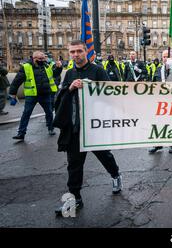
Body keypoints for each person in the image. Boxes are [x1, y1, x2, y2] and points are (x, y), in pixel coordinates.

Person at [53, 40, 122, 216]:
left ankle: (115, 175)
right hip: (75, 127)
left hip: (94, 126)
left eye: (79, 51)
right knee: (74, 164)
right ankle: (75, 198)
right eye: (72, 52)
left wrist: (91, 87)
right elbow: (60, 97)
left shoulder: (98, 70)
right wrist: (70, 87)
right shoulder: (69, 73)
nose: (75, 55)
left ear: (86, 52)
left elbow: (110, 94)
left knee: (104, 155)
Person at [8, 51, 63, 142]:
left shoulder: (46, 66)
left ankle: (50, 128)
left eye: (43, 58)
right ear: (34, 58)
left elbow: (55, 75)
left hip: (45, 94)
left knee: (49, 112)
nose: (42, 60)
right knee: (26, 114)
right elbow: (16, 81)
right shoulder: (26, 67)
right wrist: (13, 93)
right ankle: (21, 133)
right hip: (32, 95)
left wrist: (59, 68)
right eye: (40, 59)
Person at [150, 50, 172, 154]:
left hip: (171, 101)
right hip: (159, 100)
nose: (165, 59)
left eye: (167, 57)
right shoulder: (158, 69)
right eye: (164, 57)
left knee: (171, 123)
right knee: (157, 123)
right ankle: (158, 144)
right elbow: (153, 82)